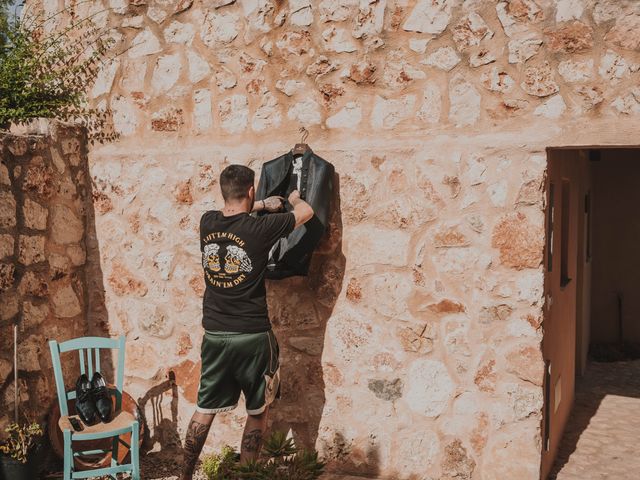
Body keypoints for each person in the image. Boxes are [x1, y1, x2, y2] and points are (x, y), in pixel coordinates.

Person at [180, 164, 314, 480]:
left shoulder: (207, 223)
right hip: (253, 336)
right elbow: (306, 212)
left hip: (214, 334)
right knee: (257, 412)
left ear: (223, 192)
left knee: (205, 407)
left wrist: (261, 205)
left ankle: (184, 473)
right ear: (251, 190)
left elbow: (236, 209)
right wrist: (293, 197)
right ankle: (247, 475)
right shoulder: (260, 230)